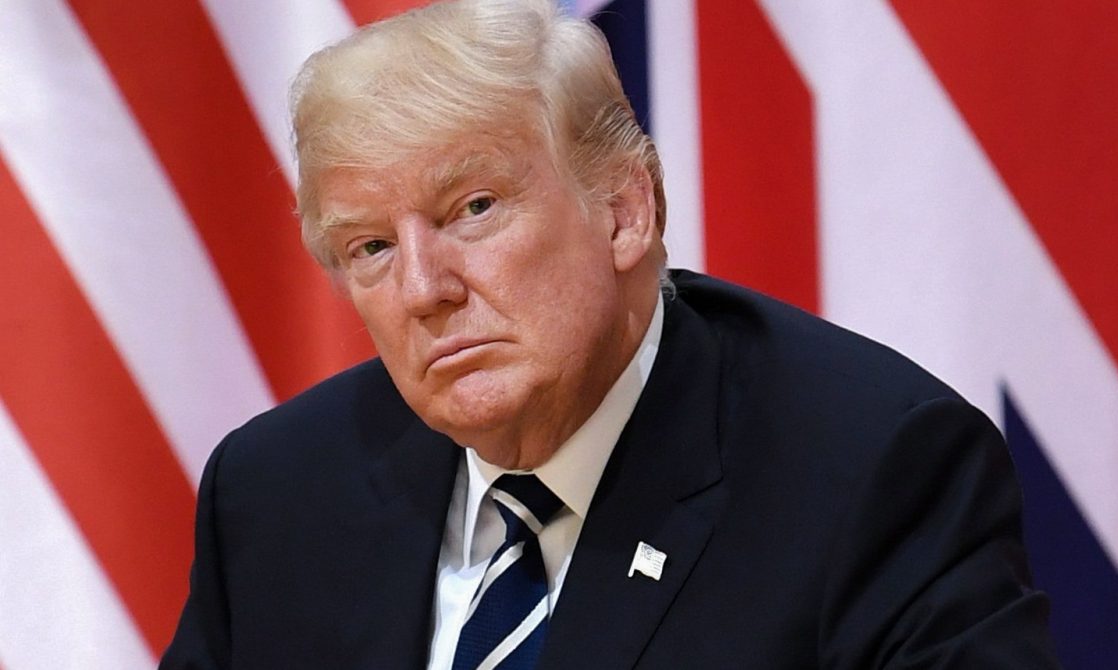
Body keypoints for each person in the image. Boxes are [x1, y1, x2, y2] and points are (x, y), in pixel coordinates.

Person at [161, 0, 1060, 667]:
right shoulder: (275, 494)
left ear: (626, 212)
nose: (423, 289)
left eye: (473, 209)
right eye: (369, 246)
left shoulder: (874, 474)